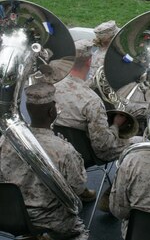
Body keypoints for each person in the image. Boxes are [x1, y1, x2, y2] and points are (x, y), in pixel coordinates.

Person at [0, 82, 89, 240]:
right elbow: (78, 188)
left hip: (11, 216)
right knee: (80, 230)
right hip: (51, 221)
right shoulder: (64, 150)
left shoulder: (5, 140)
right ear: (51, 111)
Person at [54, 39, 132, 162]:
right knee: (139, 143)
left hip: (56, 147)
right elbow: (103, 146)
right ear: (89, 61)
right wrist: (116, 125)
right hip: (84, 154)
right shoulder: (92, 101)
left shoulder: (53, 85)